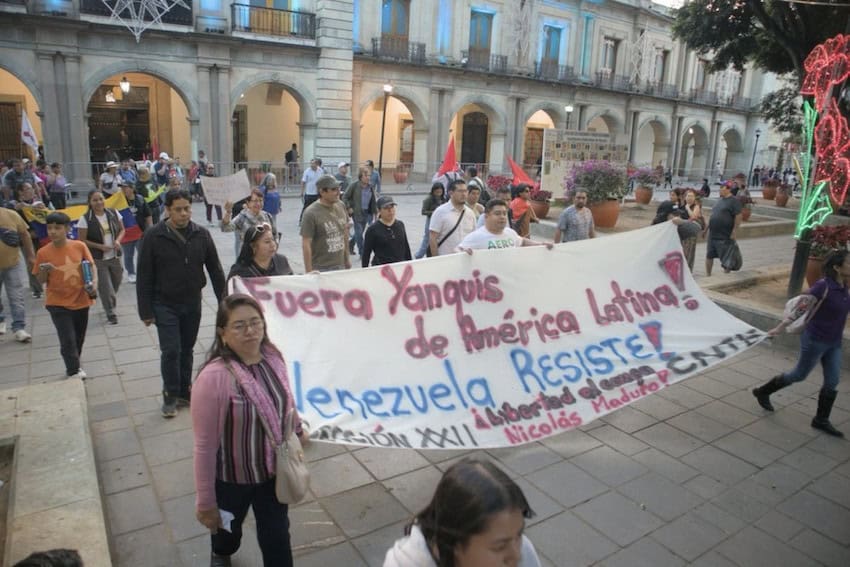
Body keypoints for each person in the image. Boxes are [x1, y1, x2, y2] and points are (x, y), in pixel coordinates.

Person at [192, 294, 306, 567]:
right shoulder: (214, 378)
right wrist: (206, 502)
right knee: (227, 531)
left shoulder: (273, 357)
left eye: (255, 322)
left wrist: (298, 429)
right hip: (231, 479)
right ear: (223, 333)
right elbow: (204, 447)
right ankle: (221, 552)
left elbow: (286, 400)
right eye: (239, 325)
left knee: (277, 537)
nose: (250, 331)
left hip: (272, 475)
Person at [137, 188, 226, 418]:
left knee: (187, 348)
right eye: (178, 209)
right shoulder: (153, 236)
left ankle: (185, 391)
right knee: (171, 350)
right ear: (168, 210)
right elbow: (144, 275)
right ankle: (170, 394)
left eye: (187, 208)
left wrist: (225, 302)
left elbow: (215, 270)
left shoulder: (201, 234)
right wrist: (145, 311)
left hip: (192, 302)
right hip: (164, 303)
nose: (184, 213)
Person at [753, 250, 850, 438]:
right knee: (799, 374)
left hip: (834, 342)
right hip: (815, 340)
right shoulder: (823, 286)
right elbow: (800, 309)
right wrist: (779, 328)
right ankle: (763, 391)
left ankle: (821, 419)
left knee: (833, 380)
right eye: (849, 262)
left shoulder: (845, 285)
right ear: (837, 267)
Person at [383, 458, 542, 567]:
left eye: (519, 534)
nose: (516, 556)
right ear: (455, 544)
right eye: (499, 547)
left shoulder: (522, 549)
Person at [33, 212, 96, 380]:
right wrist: (44, 271)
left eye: (57, 228)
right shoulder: (43, 253)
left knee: (78, 338)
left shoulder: (79, 246)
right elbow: (40, 280)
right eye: (49, 228)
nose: (53, 232)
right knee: (67, 339)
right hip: (57, 303)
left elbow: (91, 266)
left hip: (81, 299)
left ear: (67, 229)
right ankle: (73, 370)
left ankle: (75, 362)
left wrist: (93, 286)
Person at [77, 190, 125, 325]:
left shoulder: (113, 213)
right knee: (105, 287)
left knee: (116, 281)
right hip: (98, 258)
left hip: (115, 256)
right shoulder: (85, 219)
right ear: (90, 202)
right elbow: (82, 240)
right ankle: (110, 312)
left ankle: (109, 300)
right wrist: (99, 246)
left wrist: (118, 241)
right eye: (95, 200)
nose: (99, 202)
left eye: (101, 199)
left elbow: (122, 230)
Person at [457, 199, 552, 252]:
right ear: (486, 216)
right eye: (497, 213)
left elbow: (522, 241)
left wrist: (540, 245)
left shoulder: (510, 233)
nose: (502, 217)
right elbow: (457, 251)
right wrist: (463, 253)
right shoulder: (476, 237)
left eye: (504, 213)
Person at [300, 174, 351, 272]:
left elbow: (345, 233)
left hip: (340, 265)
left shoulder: (341, 205)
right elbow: (306, 243)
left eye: (339, 188)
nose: (338, 192)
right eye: (334, 189)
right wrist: (309, 271)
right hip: (321, 267)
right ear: (322, 192)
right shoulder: (311, 213)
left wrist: (347, 259)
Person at [0, 206, 35, 341]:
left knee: (16, 296)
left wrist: (31, 256)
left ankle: (19, 327)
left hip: (12, 263)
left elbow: (25, 234)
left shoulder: (11, 214)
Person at [227, 223, 293, 282]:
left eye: (273, 239)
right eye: (267, 242)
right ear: (253, 246)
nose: (273, 244)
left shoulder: (281, 261)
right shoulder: (239, 271)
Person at [222, 189, 277, 255]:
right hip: (248, 256)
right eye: (255, 201)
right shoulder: (242, 217)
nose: (258, 204)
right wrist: (228, 212)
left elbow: (275, 235)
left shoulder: (267, 216)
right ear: (248, 203)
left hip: (266, 256)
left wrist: (274, 247)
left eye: (261, 200)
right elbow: (225, 228)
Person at [429, 179, 476, 257]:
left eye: (465, 191)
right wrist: (436, 259)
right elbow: (433, 238)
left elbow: (473, 237)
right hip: (446, 258)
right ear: (451, 193)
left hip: (465, 258)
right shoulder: (440, 212)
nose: (464, 194)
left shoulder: (470, 213)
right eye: (460, 191)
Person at [362, 196, 412, 267]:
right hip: (382, 268)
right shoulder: (372, 229)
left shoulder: (400, 224)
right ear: (379, 210)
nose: (390, 211)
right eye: (386, 208)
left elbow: (406, 248)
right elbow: (366, 253)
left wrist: (410, 265)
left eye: (392, 207)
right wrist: (365, 270)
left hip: (400, 267)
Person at [705, 182, 742, 276]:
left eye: (722, 187)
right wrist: (705, 230)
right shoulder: (719, 201)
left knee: (726, 255)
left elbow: (738, 216)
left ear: (728, 189)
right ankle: (708, 275)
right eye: (720, 187)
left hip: (725, 234)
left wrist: (734, 231)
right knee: (709, 255)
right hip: (712, 234)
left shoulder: (734, 201)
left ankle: (726, 275)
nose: (720, 189)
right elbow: (712, 216)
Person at [120, 180, 153, 284]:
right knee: (128, 255)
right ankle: (131, 273)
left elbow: (148, 214)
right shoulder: (119, 201)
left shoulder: (140, 199)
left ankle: (143, 272)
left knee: (143, 253)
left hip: (140, 232)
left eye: (125, 187)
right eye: (122, 188)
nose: (123, 189)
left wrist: (150, 228)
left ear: (132, 188)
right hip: (126, 233)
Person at [342, 167, 377, 256]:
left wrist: (375, 212)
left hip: (366, 213)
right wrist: (349, 207)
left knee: (359, 233)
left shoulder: (370, 186)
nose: (368, 177)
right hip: (357, 212)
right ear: (361, 176)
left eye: (369, 175)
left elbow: (373, 200)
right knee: (359, 233)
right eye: (366, 175)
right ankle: (362, 253)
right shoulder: (354, 185)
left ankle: (351, 244)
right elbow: (345, 197)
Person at [415, 183, 446, 258]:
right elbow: (423, 212)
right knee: (427, 238)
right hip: (431, 220)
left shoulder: (443, 199)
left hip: (441, 220)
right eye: (437, 192)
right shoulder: (428, 199)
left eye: (440, 192)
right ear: (433, 191)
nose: (438, 194)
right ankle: (419, 255)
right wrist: (434, 212)